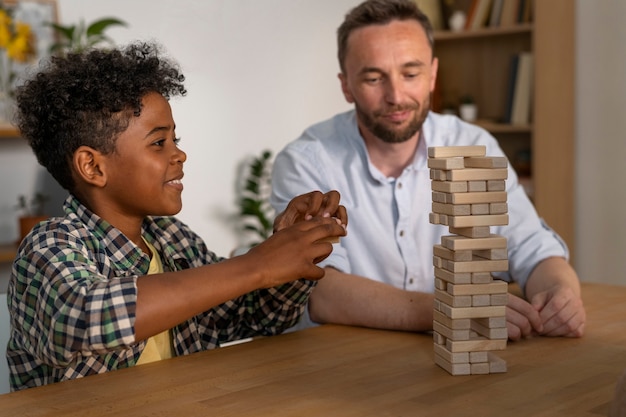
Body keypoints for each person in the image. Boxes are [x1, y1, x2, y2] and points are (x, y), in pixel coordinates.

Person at [7, 41, 347, 392]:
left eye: (175, 139)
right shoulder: (49, 246)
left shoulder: (172, 238)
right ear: (92, 166)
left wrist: (290, 258)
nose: (179, 154)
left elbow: (253, 316)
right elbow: (84, 316)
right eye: (158, 143)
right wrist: (256, 265)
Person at [270, 0, 585, 340]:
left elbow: (532, 248)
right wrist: (444, 310)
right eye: (374, 78)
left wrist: (560, 292)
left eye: (410, 74)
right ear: (346, 86)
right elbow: (321, 292)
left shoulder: (472, 146)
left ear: (432, 74)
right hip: (341, 369)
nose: (396, 96)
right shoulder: (306, 162)